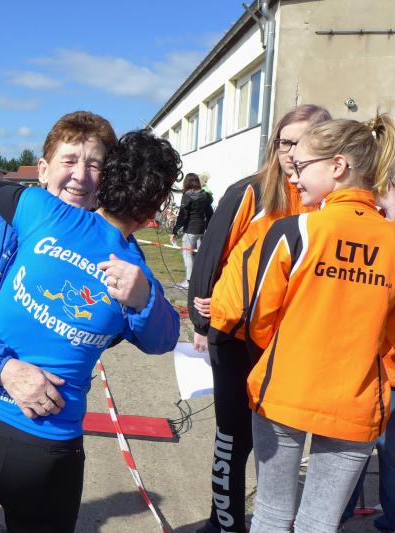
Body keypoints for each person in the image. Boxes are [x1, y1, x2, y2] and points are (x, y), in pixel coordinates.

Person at [0, 125, 182, 532]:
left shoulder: (121, 264)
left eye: (94, 165)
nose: (80, 175)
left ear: (108, 178)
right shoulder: (9, 224)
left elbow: (162, 336)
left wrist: (145, 298)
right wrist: (4, 369)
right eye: (69, 161)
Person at [245, 114, 395, 531]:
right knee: (320, 523)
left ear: (338, 166)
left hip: (284, 392)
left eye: (301, 167)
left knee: (271, 514)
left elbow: (259, 320)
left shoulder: (295, 230)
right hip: (356, 401)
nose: (293, 178)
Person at [187, 104, 332, 533]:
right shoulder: (250, 192)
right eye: (285, 142)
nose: (292, 153)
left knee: (280, 441)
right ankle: (224, 522)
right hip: (234, 338)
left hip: (289, 343)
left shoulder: (326, 200)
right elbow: (210, 258)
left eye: (303, 144)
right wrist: (201, 320)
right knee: (234, 437)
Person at [341, 177, 395, 529]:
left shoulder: (383, 238)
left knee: (354, 450)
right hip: (371, 367)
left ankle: (334, 514)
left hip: (375, 369)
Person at [171, 172, 212, 290]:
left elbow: (182, 215)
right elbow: (210, 213)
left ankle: (189, 281)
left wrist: (175, 231)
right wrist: (208, 228)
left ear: (187, 182)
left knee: (187, 254)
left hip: (191, 230)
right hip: (201, 230)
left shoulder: (187, 195)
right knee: (197, 255)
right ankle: (198, 280)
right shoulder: (205, 195)